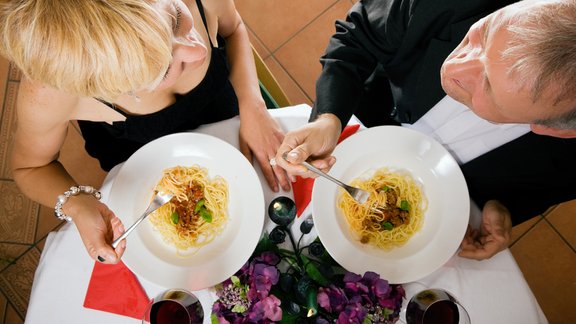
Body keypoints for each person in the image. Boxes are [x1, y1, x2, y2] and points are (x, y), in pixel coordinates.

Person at [274, 0, 576, 261]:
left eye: (488, 86)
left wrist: (503, 207)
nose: (453, 67)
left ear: (552, 129)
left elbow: (539, 191)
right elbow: (359, 34)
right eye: (483, 36)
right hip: (363, 120)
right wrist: (328, 117)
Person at [0, 0, 291, 264]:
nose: (198, 49)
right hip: (140, 167)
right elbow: (31, 167)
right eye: (164, 68)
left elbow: (233, 28)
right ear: (103, 88)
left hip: (229, 114)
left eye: (176, 18)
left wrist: (252, 103)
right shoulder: (50, 94)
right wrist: (77, 204)